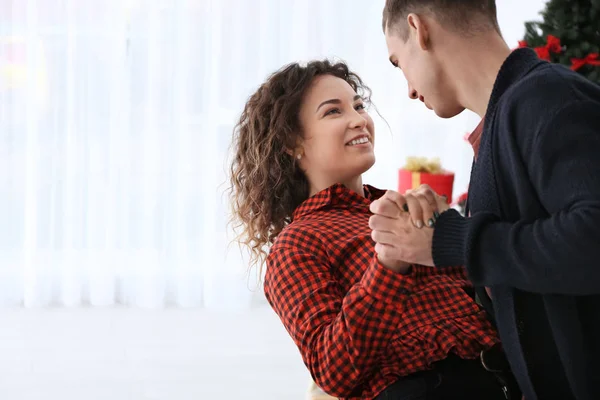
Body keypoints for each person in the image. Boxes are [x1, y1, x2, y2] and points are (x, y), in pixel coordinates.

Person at [229, 59, 518, 399]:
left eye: (358, 105)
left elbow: (490, 303)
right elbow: (333, 370)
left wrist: (452, 234)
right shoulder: (296, 245)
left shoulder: (403, 209)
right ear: (292, 144)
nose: (359, 120)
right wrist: (389, 263)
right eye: (333, 112)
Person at [373, 1, 600, 399]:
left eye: (398, 62)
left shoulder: (547, 98)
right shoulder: (502, 125)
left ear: (419, 28)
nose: (408, 89)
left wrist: (454, 240)